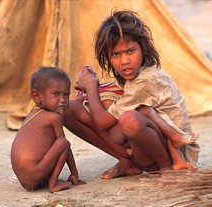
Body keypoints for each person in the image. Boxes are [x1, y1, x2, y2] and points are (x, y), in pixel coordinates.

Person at [63, 10, 200, 179]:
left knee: (130, 120)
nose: (125, 60)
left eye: (130, 51)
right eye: (116, 54)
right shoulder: (129, 76)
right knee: (70, 110)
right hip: (148, 145)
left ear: (143, 48)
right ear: (107, 57)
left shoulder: (146, 79)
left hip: (176, 153)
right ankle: (128, 162)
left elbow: (103, 122)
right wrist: (88, 92)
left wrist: (91, 86)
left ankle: (167, 168)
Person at [11, 66, 85, 193]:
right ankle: (53, 183)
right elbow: (64, 147)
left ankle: (46, 179)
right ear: (37, 96)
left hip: (26, 180)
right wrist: (75, 174)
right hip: (33, 174)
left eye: (66, 94)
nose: (62, 100)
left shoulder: (34, 113)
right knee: (63, 142)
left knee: (58, 143)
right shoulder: (53, 117)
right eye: (56, 94)